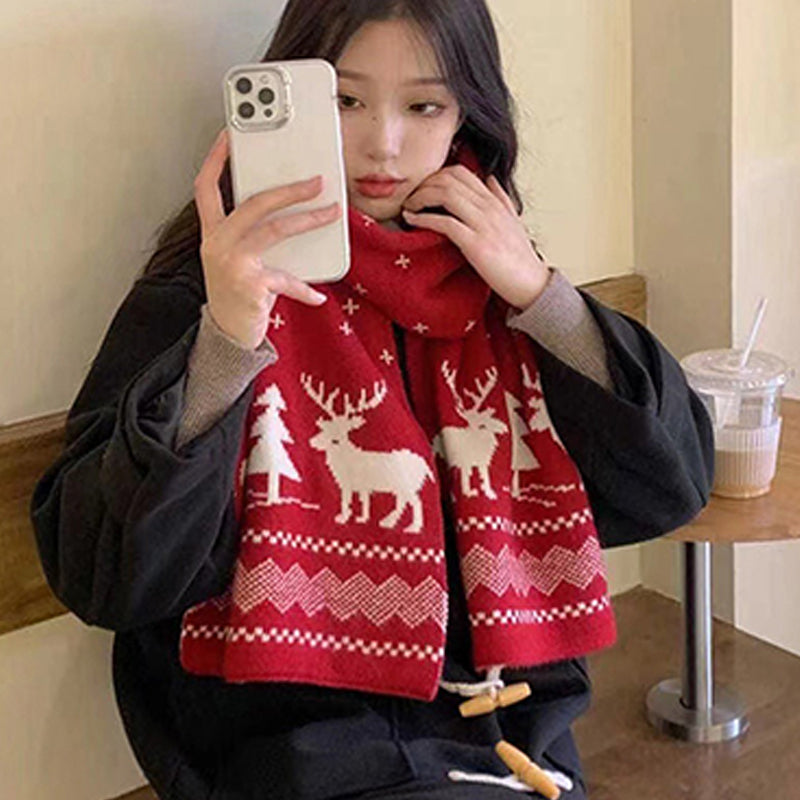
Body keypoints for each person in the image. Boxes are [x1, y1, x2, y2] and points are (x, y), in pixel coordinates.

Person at [30, 1, 714, 798]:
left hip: (508, 744)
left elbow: (674, 484)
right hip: (285, 756)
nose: (383, 144)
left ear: (468, 116)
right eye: (344, 100)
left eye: (425, 106)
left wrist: (540, 295)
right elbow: (105, 574)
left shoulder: (493, 282)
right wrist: (226, 341)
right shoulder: (207, 290)